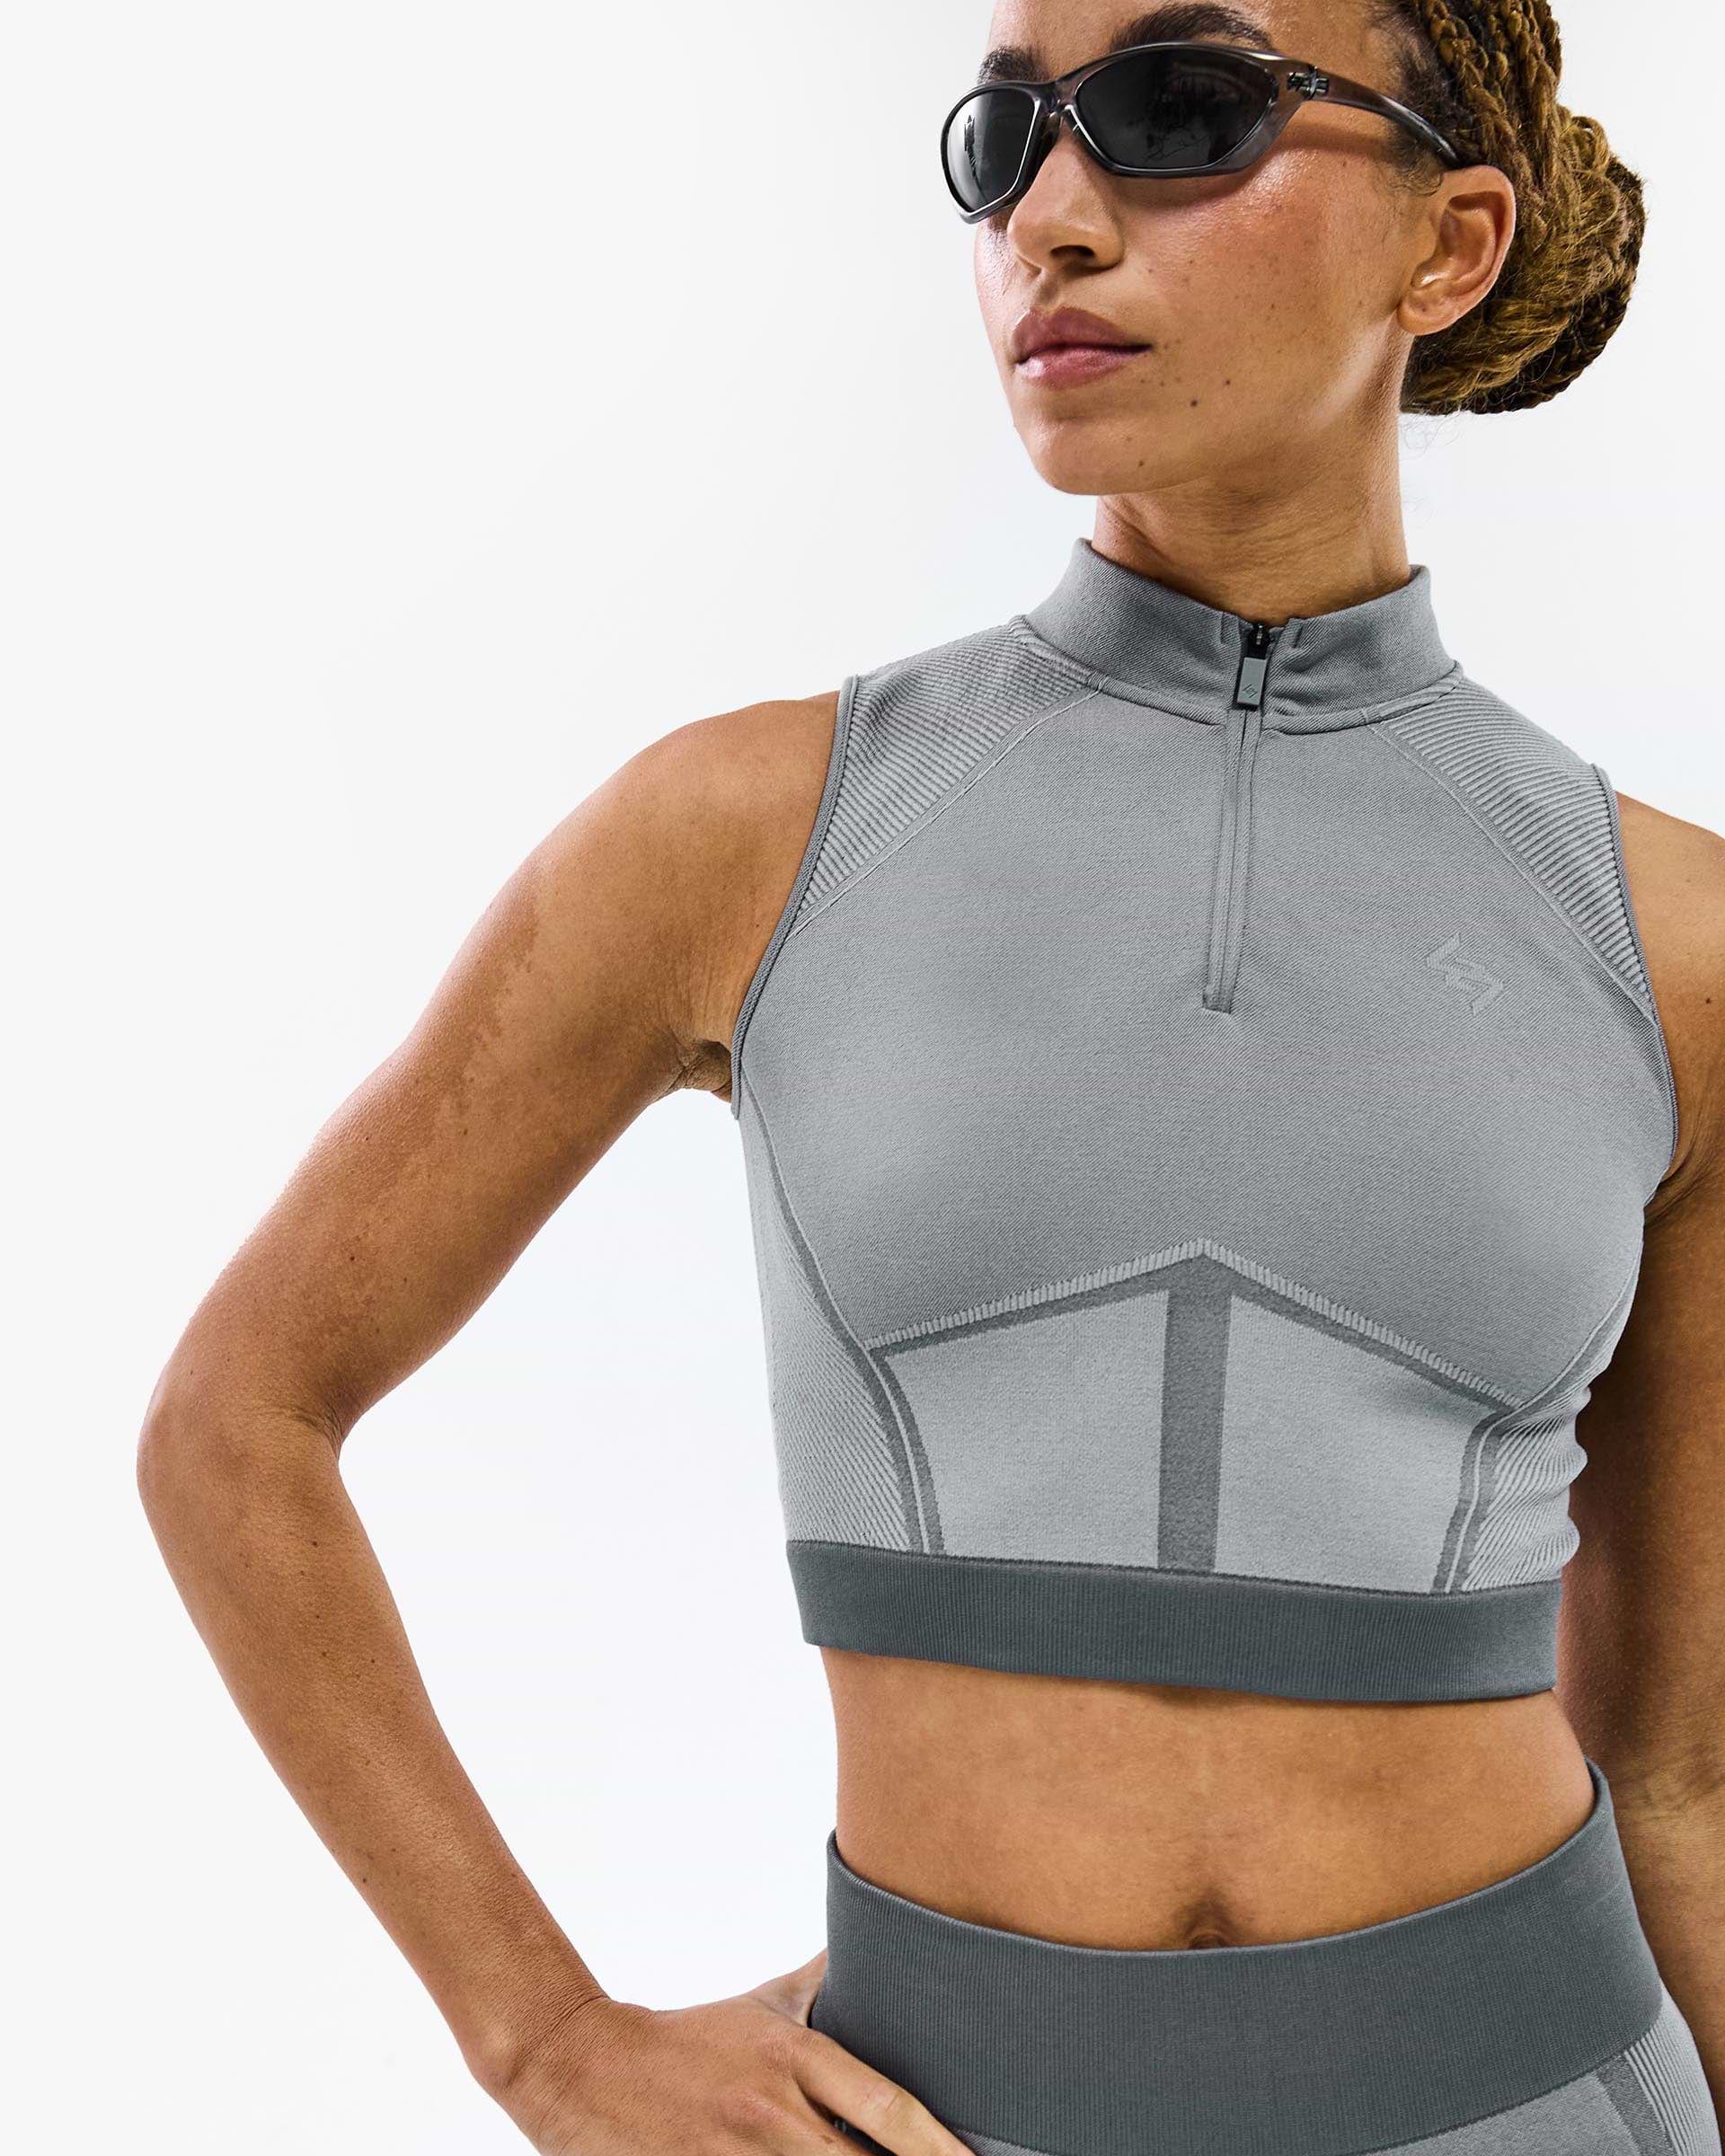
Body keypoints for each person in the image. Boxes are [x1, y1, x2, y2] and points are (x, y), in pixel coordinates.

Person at [138, 2, 1724, 2151]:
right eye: (1003, 137)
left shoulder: (1678, 942)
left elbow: (1685, 1775)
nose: (1050, 216)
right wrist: (542, 2039)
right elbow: (237, 1423)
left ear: (1447, 245)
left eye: (1181, 109)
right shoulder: (746, 834)